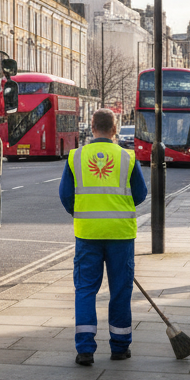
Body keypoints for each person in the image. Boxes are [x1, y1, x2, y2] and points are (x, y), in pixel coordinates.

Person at [59, 108, 148, 366]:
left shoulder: (76, 156)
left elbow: (66, 196)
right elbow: (140, 194)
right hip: (121, 234)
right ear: (115, 128)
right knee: (120, 290)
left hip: (88, 234)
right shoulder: (127, 157)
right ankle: (120, 347)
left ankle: (85, 349)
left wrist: (84, 213)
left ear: (92, 126)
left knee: (85, 289)